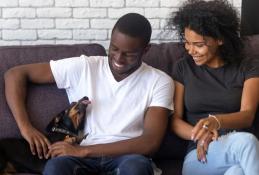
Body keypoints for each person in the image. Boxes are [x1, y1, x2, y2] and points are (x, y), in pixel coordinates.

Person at [4, 13, 174, 175]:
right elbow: (14, 74)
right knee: (56, 167)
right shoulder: (85, 67)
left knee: (136, 167)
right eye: (114, 49)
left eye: (129, 54)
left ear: (146, 50)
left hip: (126, 157)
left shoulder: (159, 81)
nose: (118, 59)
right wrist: (26, 128)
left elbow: (150, 142)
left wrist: (84, 151)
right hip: (80, 157)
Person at [167, 0, 259, 175]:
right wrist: (201, 134)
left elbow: (247, 115)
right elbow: (175, 121)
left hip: (238, 145)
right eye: (187, 42)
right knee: (247, 143)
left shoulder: (248, 67)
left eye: (199, 45)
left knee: (237, 171)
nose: (191, 50)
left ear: (220, 39)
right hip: (200, 154)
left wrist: (215, 121)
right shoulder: (183, 68)